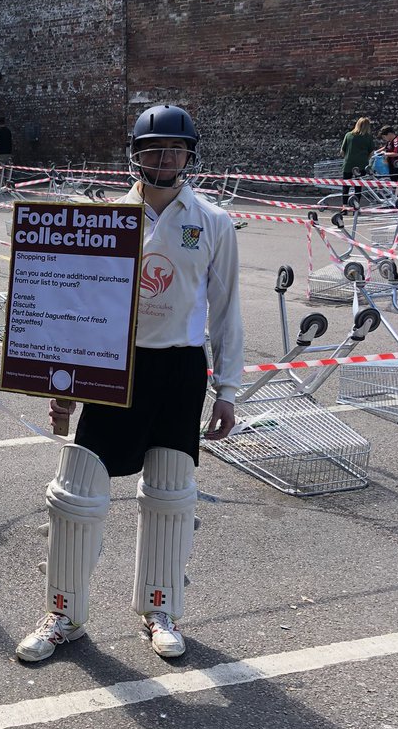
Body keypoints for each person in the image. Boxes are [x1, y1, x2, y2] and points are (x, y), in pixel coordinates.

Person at [16, 103, 243, 664]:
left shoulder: (213, 222)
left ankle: (158, 607)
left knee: (170, 494)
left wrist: (229, 391)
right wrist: (62, 386)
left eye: (175, 148)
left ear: (190, 154)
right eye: (153, 148)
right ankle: (63, 614)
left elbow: (227, 312)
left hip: (181, 368)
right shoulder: (106, 220)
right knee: (75, 493)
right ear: (134, 154)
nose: (164, 157)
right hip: (114, 364)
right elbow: (75, 307)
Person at [339, 117, 375, 208]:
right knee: (358, 187)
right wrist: (365, 158)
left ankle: (344, 206)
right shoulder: (368, 137)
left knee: (346, 186)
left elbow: (342, 151)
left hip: (348, 164)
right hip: (362, 165)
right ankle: (356, 206)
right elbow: (371, 152)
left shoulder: (348, 135)